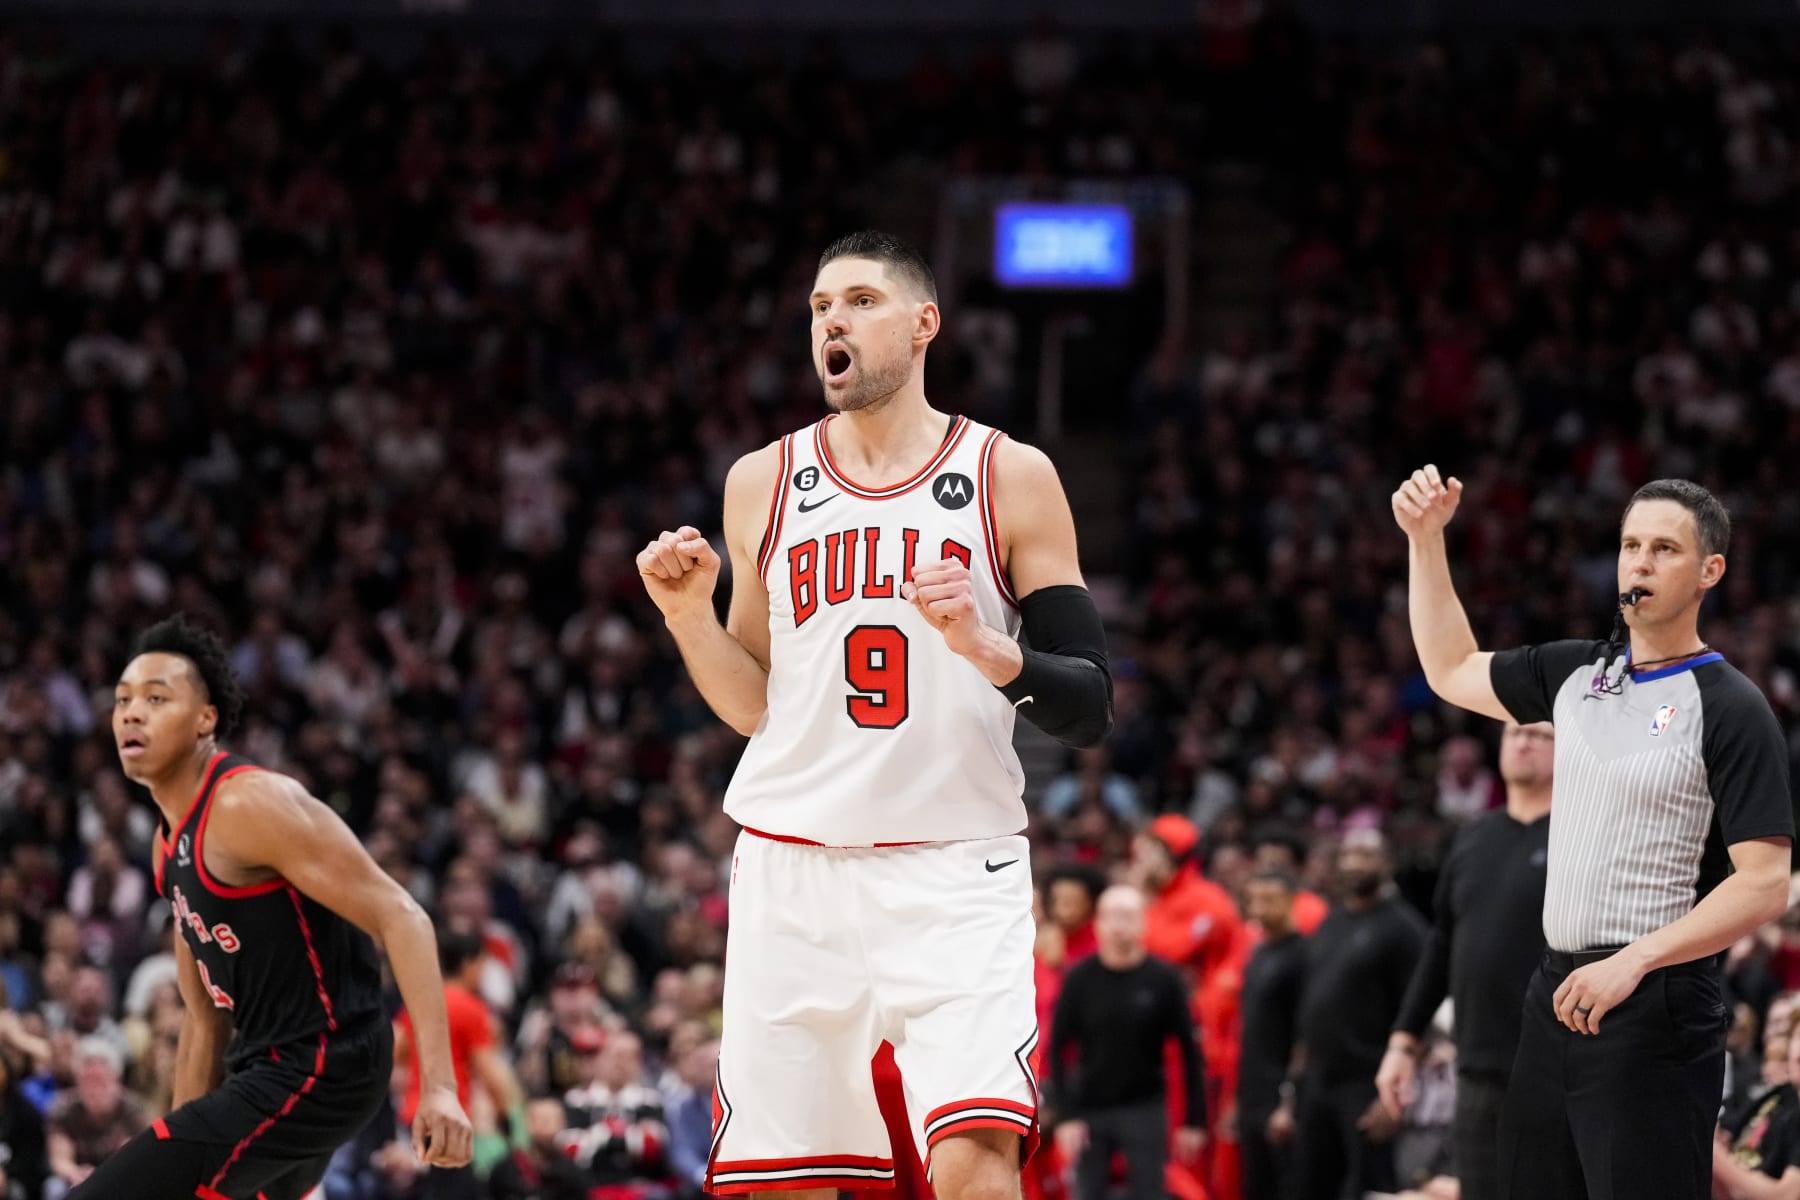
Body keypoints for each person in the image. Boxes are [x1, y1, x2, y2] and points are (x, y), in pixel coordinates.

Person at [635, 230, 1112, 1198]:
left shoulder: (1006, 474)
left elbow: (1090, 704)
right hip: (791, 864)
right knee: (781, 1181)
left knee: (976, 1157)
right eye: (819, 308)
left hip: (953, 862)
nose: (832, 322)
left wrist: (991, 648)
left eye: (858, 300)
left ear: (924, 323)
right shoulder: (761, 482)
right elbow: (753, 708)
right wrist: (689, 619)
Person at [1392, 468, 1794, 1200]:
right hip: (1557, 993)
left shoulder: (1732, 706)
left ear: (1711, 571)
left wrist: (1636, 961)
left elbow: (1765, 885)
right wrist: (1425, 543)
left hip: (1657, 1001)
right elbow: (1451, 669)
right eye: (1629, 545)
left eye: (1663, 549)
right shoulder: (1578, 673)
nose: (1639, 562)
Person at [72, 616, 473, 1199]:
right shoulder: (167, 849)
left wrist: (440, 1087)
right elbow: (205, 1015)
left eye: (157, 699)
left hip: (327, 1061)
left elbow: (403, 915)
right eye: (123, 700)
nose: (132, 713)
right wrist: (182, 1139)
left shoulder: (250, 804)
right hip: (266, 1070)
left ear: (206, 719)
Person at [1376, 721, 1554, 1200]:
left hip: (1557, 1070)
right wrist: (1403, 1042)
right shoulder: (1473, 839)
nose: (1522, 742)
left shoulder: (1578, 836)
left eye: (1539, 734)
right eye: (1515, 732)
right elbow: (1441, 946)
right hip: (1475, 1069)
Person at [1286, 828, 1425, 1200]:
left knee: (1369, 1187)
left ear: (1387, 864)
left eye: (1366, 855)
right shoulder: (1331, 921)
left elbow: (1421, 1012)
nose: (1354, 863)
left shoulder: (1404, 927)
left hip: (1367, 1082)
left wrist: (1393, 1096)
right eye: (1348, 854)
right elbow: (1312, 1001)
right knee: (1308, 1186)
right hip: (1317, 1080)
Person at [1047, 885, 1206, 1200]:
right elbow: (1057, 1047)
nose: (1119, 926)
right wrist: (1065, 1116)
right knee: (1086, 1193)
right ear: (1099, 923)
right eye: (1111, 917)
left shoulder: (1163, 980)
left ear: (1143, 923)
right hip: (1090, 1106)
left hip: (1144, 1106)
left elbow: (1190, 1052)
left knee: (1151, 1192)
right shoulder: (1080, 978)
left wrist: (1194, 1120)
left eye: (1128, 917)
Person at [394, 929, 525, 1200]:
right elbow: (491, 1072)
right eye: (482, 964)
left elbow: (397, 1052)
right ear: (469, 963)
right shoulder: (471, 1008)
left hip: (414, 1112)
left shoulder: (421, 1003)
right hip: (449, 1116)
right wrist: (505, 1113)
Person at [1236, 870, 1308, 1200]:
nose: (1261, 909)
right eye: (1255, 900)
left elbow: (1305, 1037)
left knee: (1288, 1185)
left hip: (1280, 1094)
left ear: (1292, 901)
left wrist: (1289, 1102)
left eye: (1270, 900)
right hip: (1252, 1091)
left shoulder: (1304, 956)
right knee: (1255, 1185)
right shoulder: (1258, 954)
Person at [1713, 1017, 1800, 1200]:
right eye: (1798, 1036)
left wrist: (1716, 1157)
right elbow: (1725, 1142)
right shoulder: (1779, 1094)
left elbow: (1786, 1195)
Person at [46, 1039, 145, 1200]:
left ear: (116, 1079)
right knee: (53, 1187)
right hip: (77, 1176)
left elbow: (130, 1157)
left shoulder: (133, 1110)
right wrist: (75, 1173)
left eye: (100, 1080)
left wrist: (101, 1177)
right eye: (88, 1080)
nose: (94, 1089)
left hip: (117, 1174)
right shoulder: (62, 1109)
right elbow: (60, 1158)